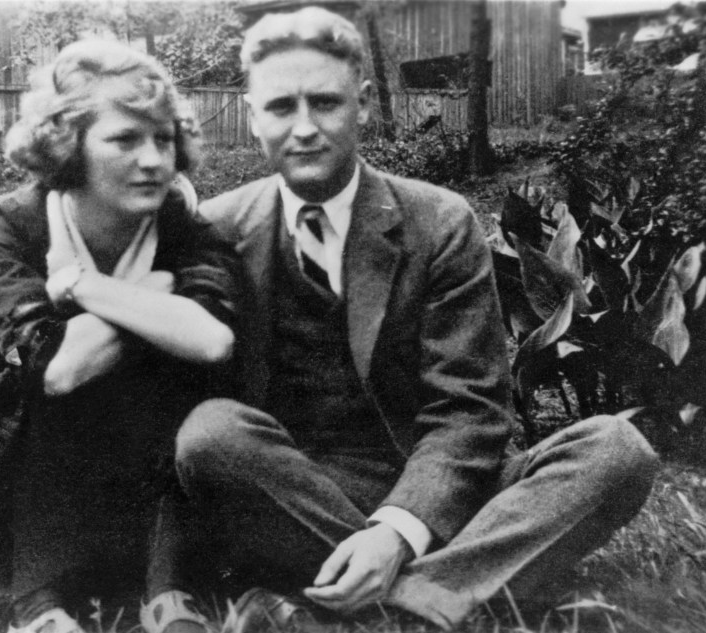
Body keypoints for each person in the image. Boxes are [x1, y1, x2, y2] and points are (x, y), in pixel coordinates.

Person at [140, 7, 660, 633]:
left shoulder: (438, 221)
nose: (304, 128)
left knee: (615, 451)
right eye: (280, 108)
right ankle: (457, 592)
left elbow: (469, 410)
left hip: (441, 488)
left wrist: (397, 531)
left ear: (361, 104)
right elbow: (173, 411)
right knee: (209, 431)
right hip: (294, 493)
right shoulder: (216, 232)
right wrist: (167, 584)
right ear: (252, 115)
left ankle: (400, 602)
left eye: (325, 103)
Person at [0, 39, 240, 633]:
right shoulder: (11, 229)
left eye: (164, 139)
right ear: (68, 147)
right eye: (124, 139)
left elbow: (213, 341)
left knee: (186, 391)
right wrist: (152, 294)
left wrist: (83, 286)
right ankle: (38, 604)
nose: (153, 161)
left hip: (162, 459)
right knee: (78, 385)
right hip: (46, 470)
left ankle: (172, 596)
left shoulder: (181, 225)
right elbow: (60, 371)